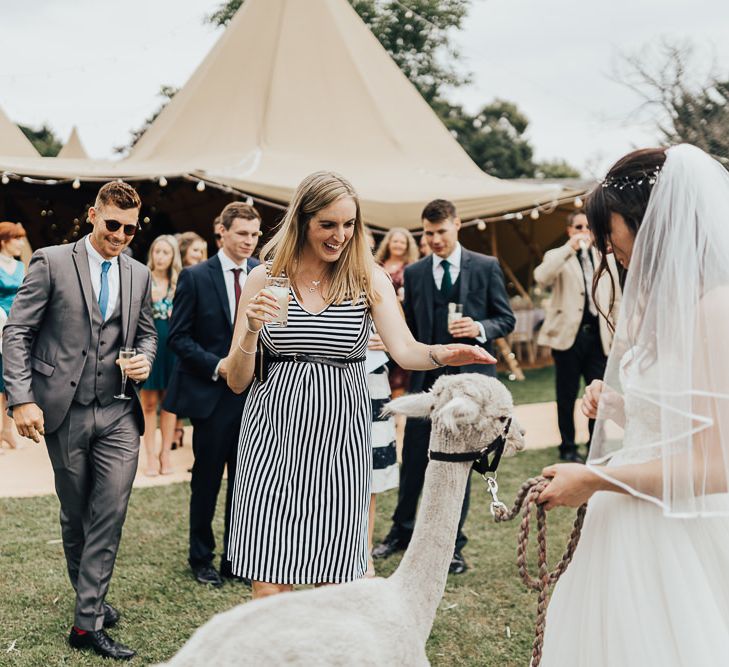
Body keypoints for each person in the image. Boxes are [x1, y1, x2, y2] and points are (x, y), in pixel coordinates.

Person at [223, 172, 494, 600]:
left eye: (348, 224)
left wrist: (445, 353)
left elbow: (406, 351)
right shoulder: (264, 280)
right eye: (328, 224)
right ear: (303, 221)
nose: (340, 235)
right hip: (271, 436)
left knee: (337, 578)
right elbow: (237, 381)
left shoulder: (367, 279)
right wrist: (251, 330)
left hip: (338, 438)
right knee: (271, 577)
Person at [538, 145, 729, 666]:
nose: (605, 247)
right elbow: (677, 420)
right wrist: (623, 406)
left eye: (611, 230)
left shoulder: (715, 310)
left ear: (648, 223)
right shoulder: (664, 305)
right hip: (627, 518)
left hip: (678, 534)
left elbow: (715, 467)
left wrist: (596, 480)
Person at [2, 181, 156, 660]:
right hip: (63, 411)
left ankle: (85, 624)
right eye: (112, 224)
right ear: (93, 215)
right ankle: (92, 599)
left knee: (109, 512)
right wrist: (21, 400)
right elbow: (17, 333)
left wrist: (145, 361)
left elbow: (147, 335)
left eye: (130, 230)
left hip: (118, 411)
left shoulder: (139, 273)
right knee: (75, 513)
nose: (120, 235)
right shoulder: (51, 261)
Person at [373, 198, 515, 575]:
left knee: (458, 466)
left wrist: (481, 329)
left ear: (457, 225)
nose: (434, 239)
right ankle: (399, 532)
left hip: (471, 388)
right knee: (414, 461)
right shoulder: (416, 273)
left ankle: (452, 544)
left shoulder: (485, 266)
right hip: (426, 383)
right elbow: (410, 332)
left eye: (441, 231)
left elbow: (506, 317)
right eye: (428, 233)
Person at [164, 201, 261, 587]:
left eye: (254, 235)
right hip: (210, 396)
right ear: (221, 231)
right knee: (206, 480)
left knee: (246, 483)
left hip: (254, 398)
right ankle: (200, 557)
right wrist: (217, 365)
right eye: (242, 233)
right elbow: (178, 337)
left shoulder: (262, 275)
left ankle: (236, 558)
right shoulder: (195, 276)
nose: (249, 242)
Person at [533, 211, 620, 462]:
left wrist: (617, 333)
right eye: (578, 227)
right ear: (570, 230)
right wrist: (569, 248)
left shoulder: (605, 256)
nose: (584, 231)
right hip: (568, 338)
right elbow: (541, 277)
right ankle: (567, 446)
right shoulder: (557, 256)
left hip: (598, 338)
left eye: (588, 227)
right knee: (566, 395)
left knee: (598, 395)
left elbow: (615, 297)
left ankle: (596, 444)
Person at [363, 227, 399, 578]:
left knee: (370, 475)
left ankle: (365, 554)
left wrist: (386, 343)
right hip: (341, 386)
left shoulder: (378, 282)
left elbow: (403, 335)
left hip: (374, 384)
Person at [140, 235, 182, 475]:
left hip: (173, 347)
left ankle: (165, 454)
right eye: (157, 251)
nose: (160, 256)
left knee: (170, 403)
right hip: (150, 344)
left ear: (173, 256)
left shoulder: (179, 281)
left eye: (166, 252)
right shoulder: (143, 279)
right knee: (149, 403)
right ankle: (150, 457)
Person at [374, 228, 419, 396]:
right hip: (375, 322)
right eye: (395, 241)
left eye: (402, 242)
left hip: (400, 320)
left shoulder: (411, 269)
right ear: (388, 243)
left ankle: (397, 418)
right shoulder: (378, 265)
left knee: (398, 376)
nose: (398, 245)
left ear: (407, 246)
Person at [0, 222, 27, 451]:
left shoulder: (20, 267)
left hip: (14, 329)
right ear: (4, 241)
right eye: (17, 238)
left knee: (9, 380)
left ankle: (6, 430)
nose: (21, 243)